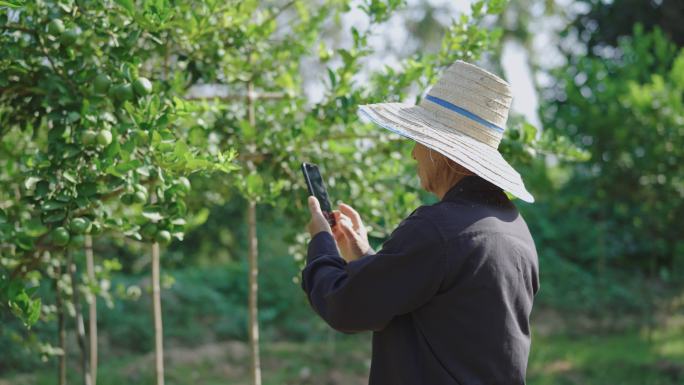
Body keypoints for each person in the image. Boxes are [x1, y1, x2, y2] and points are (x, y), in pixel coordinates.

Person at [301, 60, 540, 385]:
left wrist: (321, 243)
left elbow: (344, 306)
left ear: (441, 152)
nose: (414, 154)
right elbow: (432, 303)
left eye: (420, 141)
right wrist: (364, 254)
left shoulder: (437, 230)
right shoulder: (513, 228)